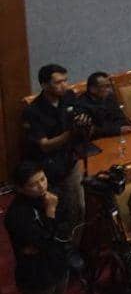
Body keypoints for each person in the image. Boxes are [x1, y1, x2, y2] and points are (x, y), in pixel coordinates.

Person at [4, 161, 72, 294]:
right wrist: (50, 213)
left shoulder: (53, 195)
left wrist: (50, 237)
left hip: (58, 264)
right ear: (20, 188)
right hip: (36, 275)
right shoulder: (16, 214)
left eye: (42, 179)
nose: (41, 187)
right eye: (33, 184)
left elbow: (67, 227)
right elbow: (42, 242)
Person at [22, 64, 84, 228]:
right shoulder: (33, 111)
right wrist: (70, 134)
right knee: (57, 211)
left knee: (78, 208)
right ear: (44, 85)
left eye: (65, 80)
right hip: (47, 167)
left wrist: (84, 124)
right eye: (58, 82)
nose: (65, 85)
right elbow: (45, 145)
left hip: (70, 159)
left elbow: (78, 117)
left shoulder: (69, 96)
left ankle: (75, 245)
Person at [74, 71, 131, 139]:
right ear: (93, 89)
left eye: (109, 86)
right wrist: (117, 130)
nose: (109, 90)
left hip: (118, 136)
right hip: (99, 141)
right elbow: (92, 131)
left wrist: (118, 129)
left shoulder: (109, 97)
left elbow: (121, 118)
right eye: (106, 87)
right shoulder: (81, 104)